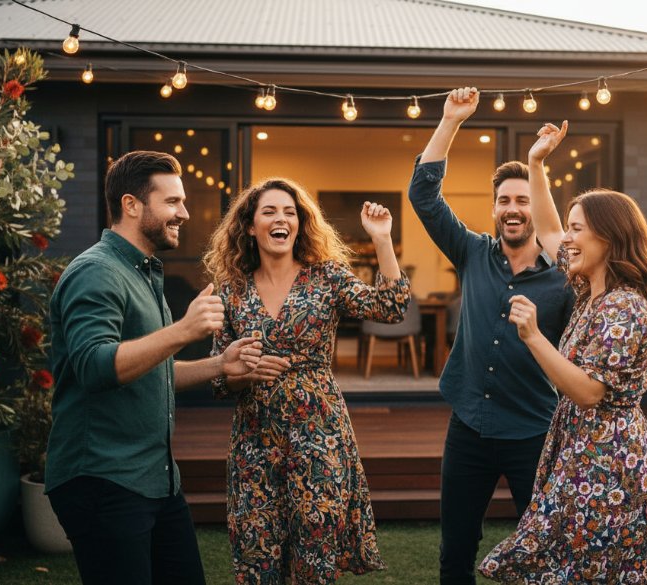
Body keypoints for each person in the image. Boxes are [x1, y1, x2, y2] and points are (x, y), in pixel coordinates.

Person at [479, 122, 647, 583]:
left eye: (579, 229)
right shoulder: (590, 291)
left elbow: (588, 392)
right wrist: (537, 163)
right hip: (581, 452)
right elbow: (547, 229)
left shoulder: (625, 307)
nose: (568, 239)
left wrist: (534, 336)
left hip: (610, 465)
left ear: (608, 237)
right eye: (572, 229)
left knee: (598, 569)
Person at [45, 150, 264, 585]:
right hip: (103, 479)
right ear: (131, 205)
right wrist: (183, 330)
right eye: (172, 202)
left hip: (157, 480)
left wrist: (219, 364)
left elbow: (151, 369)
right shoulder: (95, 272)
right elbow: (94, 366)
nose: (183, 212)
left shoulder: (143, 273)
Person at [203, 177, 410, 583]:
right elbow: (218, 377)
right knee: (257, 554)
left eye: (290, 212)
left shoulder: (327, 277)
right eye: (269, 212)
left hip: (319, 436)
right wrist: (244, 373)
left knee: (315, 558)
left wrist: (383, 240)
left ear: (300, 224)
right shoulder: (231, 292)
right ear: (249, 226)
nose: (281, 219)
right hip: (255, 441)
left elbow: (390, 308)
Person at [409, 87, 575, 585]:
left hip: (534, 432)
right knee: (456, 548)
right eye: (503, 199)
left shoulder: (565, 274)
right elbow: (423, 196)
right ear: (495, 208)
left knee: (543, 552)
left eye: (522, 199)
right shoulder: (473, 252)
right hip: (469, 430)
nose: (512, 208)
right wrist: (450, 122)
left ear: (535, 208)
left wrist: (537, 164)